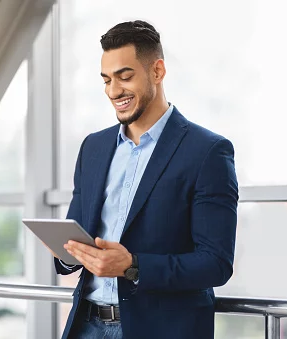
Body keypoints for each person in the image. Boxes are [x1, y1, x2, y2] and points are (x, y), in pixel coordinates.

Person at [54, 20, 238, 339]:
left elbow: (215, 263)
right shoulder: (93, 148)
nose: (114, 91)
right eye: (107, 80)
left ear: (157, 71)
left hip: (162, 329)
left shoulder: (207, 152)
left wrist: (132, 265)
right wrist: (67, 254)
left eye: (125, 77)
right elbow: (77, 231)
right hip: (86, 326)